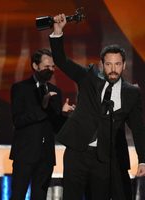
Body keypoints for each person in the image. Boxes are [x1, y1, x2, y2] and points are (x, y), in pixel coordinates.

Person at [48, 14, 145, 200]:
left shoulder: (131, 93)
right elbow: (62, 61)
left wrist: (143, 159)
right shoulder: (89, 77)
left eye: (117, 64)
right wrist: (58, 32)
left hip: (104, 159)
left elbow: (139, 129)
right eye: (108, 64)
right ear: (102, 65)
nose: (113, 69)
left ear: (124, 65)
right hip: (77, 152)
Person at [9, 48, 75, 200]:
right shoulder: (21, 88)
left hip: (46, 157)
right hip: (24, 155)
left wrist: (63, 115)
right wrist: (43, 107)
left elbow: (57, 127)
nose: (50, 70)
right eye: (46, 67)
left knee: (40, 196)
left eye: (52, 67)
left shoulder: (55, 91)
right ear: (35, 66)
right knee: (18, 195)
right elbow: (18, 120)